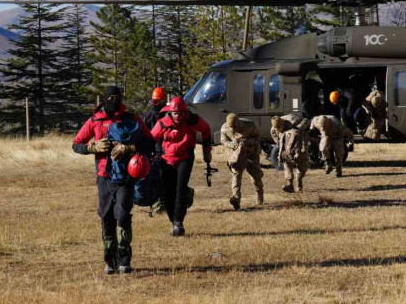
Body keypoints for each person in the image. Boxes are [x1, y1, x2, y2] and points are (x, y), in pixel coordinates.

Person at [73, 86, 155, 275]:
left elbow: (150, 142)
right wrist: (92, 148)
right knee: (106, 217)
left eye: (118, 97)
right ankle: (109, 260)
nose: (115, 100)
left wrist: (130, 147)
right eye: (111, 97)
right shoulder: (95, 120)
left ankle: (124, 258)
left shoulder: (131, 119)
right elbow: (76, 144)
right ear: (104, 99)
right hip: (104, 177)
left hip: (126, 176)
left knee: (123, 215)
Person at [151, 96, 212, 237]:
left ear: (185, 112)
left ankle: (179, 222)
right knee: (167, 192)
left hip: (185, 158)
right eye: (175, 113)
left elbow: (206, 129)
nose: (178, 116)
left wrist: (206, 150)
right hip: (166, 160)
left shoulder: (193, 120)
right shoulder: (163, 123)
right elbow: (151, 138)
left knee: (180, 189)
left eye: (181, 113)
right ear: (170, 112)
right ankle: (173, 221)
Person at [220, 113, 264, 209]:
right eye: (231, 127)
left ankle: (259, 195)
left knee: (256, 178)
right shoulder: (224, 128)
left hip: (251, 155)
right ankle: (236, 200)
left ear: (239, 123)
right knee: (236, 176)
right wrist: (231, 144)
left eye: (235, 126)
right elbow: (223, 141)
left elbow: (257, 139)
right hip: (237, 156)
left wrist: (247, 142)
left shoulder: (250, 125)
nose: (233, 129)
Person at [271, 114, 310, 193]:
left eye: (279, 127)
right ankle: (289, 185)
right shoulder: (273, 130)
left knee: (302, 167)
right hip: (286, 147)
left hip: (300, 143)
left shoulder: (293, 120)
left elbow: (307, 120)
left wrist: (300, 127)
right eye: (277, 128)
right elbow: (277, 141)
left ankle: (299, 181)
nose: (278, 129)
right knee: (287, 164)